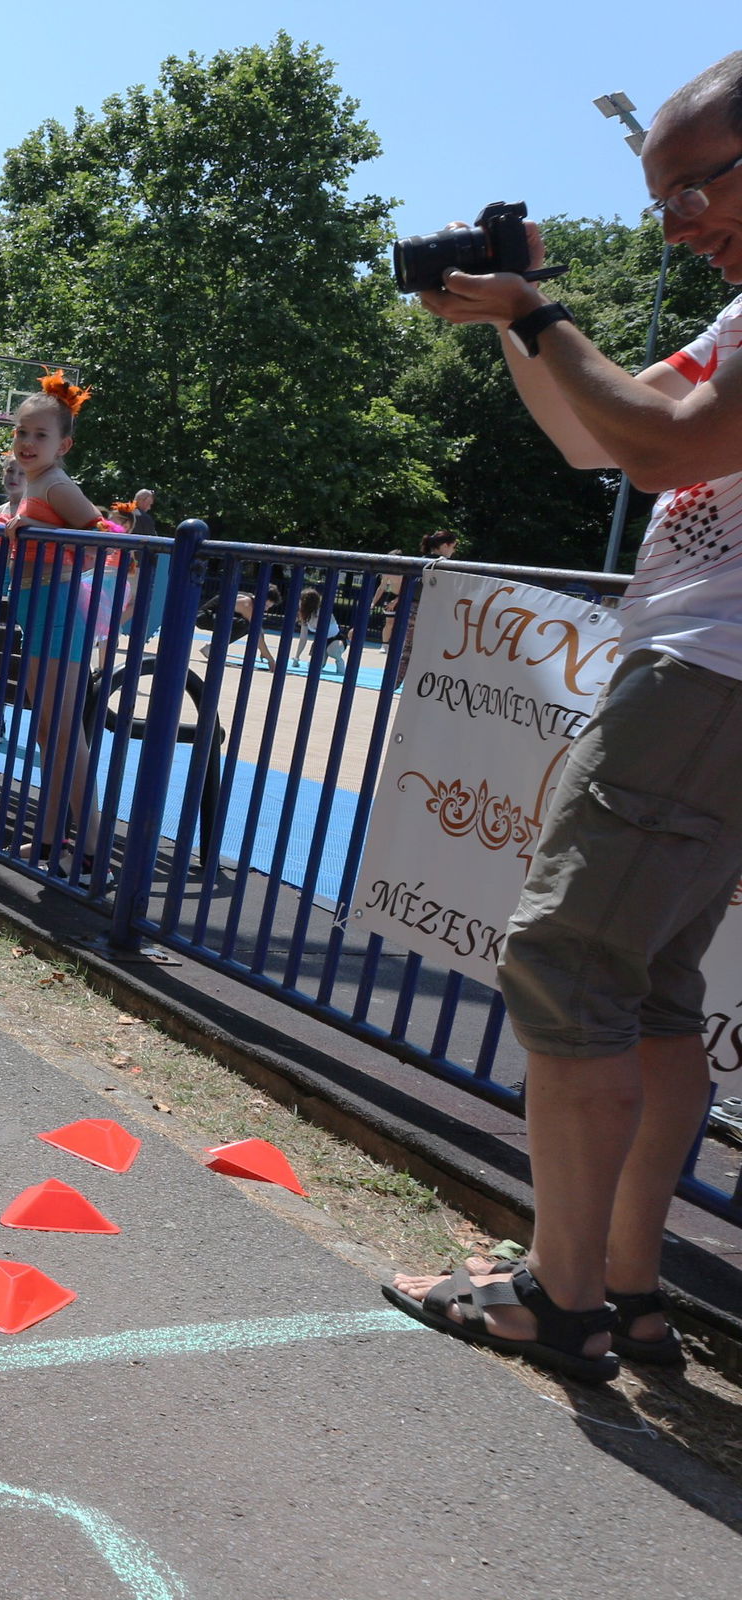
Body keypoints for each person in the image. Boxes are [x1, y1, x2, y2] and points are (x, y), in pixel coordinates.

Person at [384, 51, 742, 1384]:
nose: (679, 228)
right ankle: (630, 1293)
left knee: (561, 968)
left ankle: (563, 1296)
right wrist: (514, 325)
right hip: (714, 684)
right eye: (661, 202)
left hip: (707, 678)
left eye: (695, 190)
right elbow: (603, 436)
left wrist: (539, 317)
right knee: (648, 997)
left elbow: (664, 447)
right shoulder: (736, 315)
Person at [0, 374, 150, 865]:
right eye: (21, 432)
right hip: (38, 612)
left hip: (60, 613)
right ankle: (49, 836)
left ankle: (91, 844)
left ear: (63, 444)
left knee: (62, 731)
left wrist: (39, 526)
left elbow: (105, 535)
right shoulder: (33, 483)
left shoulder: (57, 484)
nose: (27, 442)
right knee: (47, 731)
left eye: (40, 435)